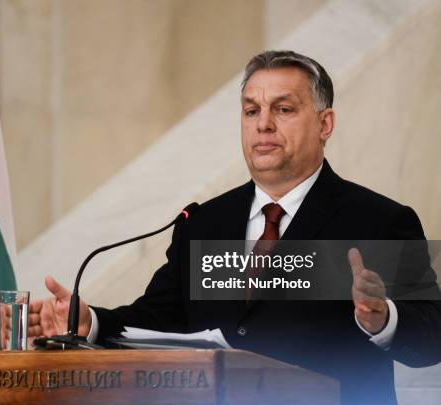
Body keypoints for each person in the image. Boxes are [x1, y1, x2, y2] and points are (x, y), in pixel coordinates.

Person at [28, 50, 441, 404]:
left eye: (283, 109)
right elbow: (159, 318)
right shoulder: (204, 222)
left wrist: (382, 319)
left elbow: (431, 338)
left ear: (324, 124)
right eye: (251, 110)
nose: (263, 124)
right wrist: (91, 323)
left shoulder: (377, 221)